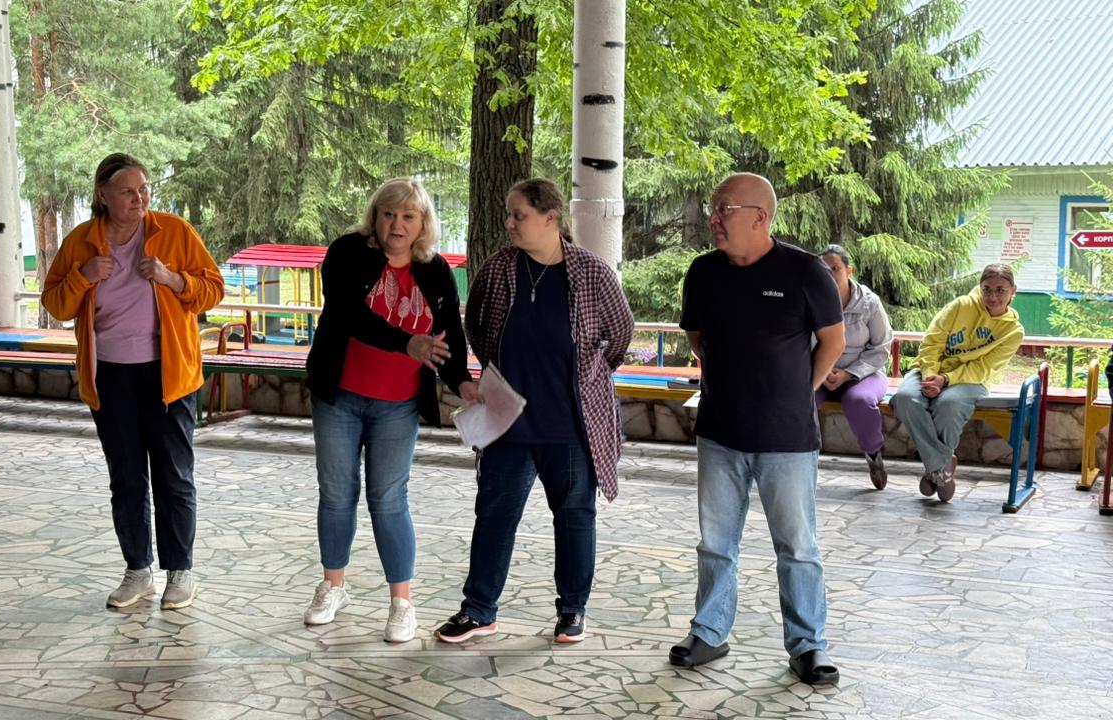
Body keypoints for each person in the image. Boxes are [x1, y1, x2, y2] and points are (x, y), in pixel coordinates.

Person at [434, 178, 633, 645]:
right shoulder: (499, 268)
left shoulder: (592, 273)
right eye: (509, 214)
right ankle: (478, 610)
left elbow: (620, 336)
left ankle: (572, 610)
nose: (509, 223)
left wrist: (587, 375)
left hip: (571, 426)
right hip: (508, 425)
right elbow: (476, 326)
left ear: (550, 218)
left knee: (575, 516)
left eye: (518, 215)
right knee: (494, 516)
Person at [673, 173, 845, 685]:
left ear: (760, 217)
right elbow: (698, 339)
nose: (714, 218)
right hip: (719, 431)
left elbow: (833, 342)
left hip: (787, 437)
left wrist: (796, 391)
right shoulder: (703, 272)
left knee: (797, 546)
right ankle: (709, 632)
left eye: (725, 209)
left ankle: (808, 645)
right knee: (715, 543)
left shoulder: (805, 271)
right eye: (713, 208)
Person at [42, 152, 224, 610]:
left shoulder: (174, 232)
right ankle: (138, 571)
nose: (139, 198)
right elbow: (56, 305)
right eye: (127, 191)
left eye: (143, 189)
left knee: (174, 477)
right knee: (126, 478)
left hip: (169, 375)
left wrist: (172, 278)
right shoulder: (81, 242)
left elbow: (213, 289)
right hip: (110, 376)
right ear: (102, 195)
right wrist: (83, 277)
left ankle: (180, 572)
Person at [303, 178, 478, 643]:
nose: (397, 225)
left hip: (397, 405)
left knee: (388, 498)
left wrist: (462, 382)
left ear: (422, 224)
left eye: (408, 217)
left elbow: (448, 335)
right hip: (339, 397)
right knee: (336, 493)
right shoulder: (347, 252)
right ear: (375, 218)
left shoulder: (435, 271)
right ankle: (333, 587)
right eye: (388, 214)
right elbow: (349, 315)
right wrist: (407, 343)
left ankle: (402, 603)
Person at [891, 264, 1025, 502]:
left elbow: (984, 367)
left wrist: (946, 380)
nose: (993, 296)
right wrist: (931, 375)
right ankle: (942, 464)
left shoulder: (1013, 331)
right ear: (980, 287)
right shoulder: (960, 306)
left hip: (970, 380)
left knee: (949, 404)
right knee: (904, 398)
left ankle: (934, 469)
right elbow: (932, 342)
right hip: (929, 370)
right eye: (987, 289)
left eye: (1000, 290)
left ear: (1013, 291)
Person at [816, 245, 894, 489]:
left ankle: (874, 455)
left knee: (859, 400)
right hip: (820, 371)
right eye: (824, 270)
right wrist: (822, 371)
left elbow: (882, 347)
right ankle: (803, 457)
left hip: (864, 372)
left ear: (848, 270)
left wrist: (849, 373)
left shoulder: (869, 303)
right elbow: (799, 343)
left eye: (835, 268)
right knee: (799, 398)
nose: (830, 275)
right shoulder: (810, 301)